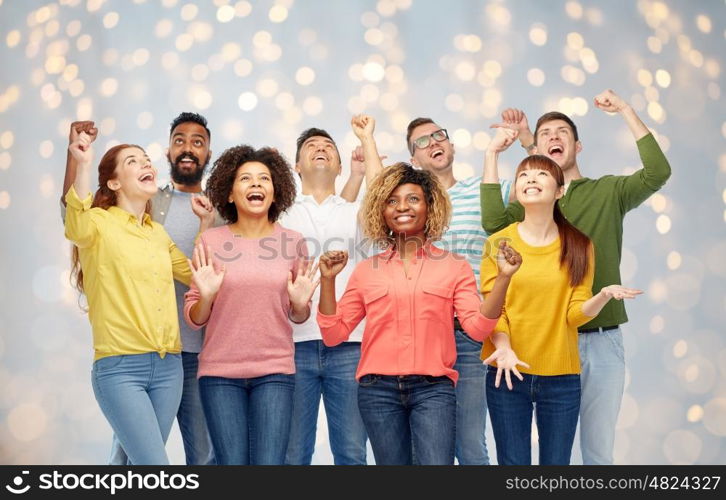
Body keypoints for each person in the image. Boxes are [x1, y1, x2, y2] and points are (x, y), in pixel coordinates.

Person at [481, 89, 671, 464]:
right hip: (541, 344)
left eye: (562, 132)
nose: (554, 137)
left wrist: (627, 110)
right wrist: (505, 150)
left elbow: (657, 172)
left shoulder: (607, 192)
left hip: (599, 340)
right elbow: (493, 224)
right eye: (545, 134)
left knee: (597, 453)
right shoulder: (529, 203)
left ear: (578, 146)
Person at [316, 161, 518, 465]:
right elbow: (334, 335)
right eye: (392, 201)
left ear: (429, 206)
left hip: (433, 390)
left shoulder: (455, 266)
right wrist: (328, 281)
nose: (402, 207)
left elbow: (476, 329)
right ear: (381, 212)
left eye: (413, 198)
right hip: (377, 391)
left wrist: (503, 278)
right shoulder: (366, 271)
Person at [61, 113, 219, 465]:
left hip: (169, 368)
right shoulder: (97, 225)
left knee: (130, 467)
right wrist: (82, 162)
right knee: (154, 468)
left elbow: (196, 276)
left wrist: (207, 225)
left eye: (146, 160)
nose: (146, 164)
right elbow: (74, 221)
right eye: (133, 162)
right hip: (120, 368)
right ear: (114, 184)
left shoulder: (156, 234)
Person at [183, 145, 318, 465]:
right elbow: (194, 318)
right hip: (219, 374)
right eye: (245, 179)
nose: (256, 184)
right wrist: (206, 296)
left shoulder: (293, 241)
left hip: (275, 371)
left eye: (264, 179)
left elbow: (299, 314)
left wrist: (300, 304)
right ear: (230, 193)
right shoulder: (210, 241)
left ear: (276, 192)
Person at [403, 116, 513, 465]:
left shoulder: (485, 192)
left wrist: (519, 140)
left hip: (469, 332)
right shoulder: (409, 207)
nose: (433, 142)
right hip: (421, 334)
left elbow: (541, 185)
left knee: (468, 442)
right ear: (413, 160)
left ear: (450, 145)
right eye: (422, 141)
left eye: (439, 135)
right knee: (426, 446)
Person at [280, 127, 379, 465]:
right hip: (292, 345)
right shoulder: (280, 213)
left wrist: (367, 143)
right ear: (296, 166)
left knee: (351, 452)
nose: (321, 149)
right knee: (293, 454)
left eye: (328, 147)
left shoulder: (357, 212)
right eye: (311, 146)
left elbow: (381, 194)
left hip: (350, 344)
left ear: (340, 167)